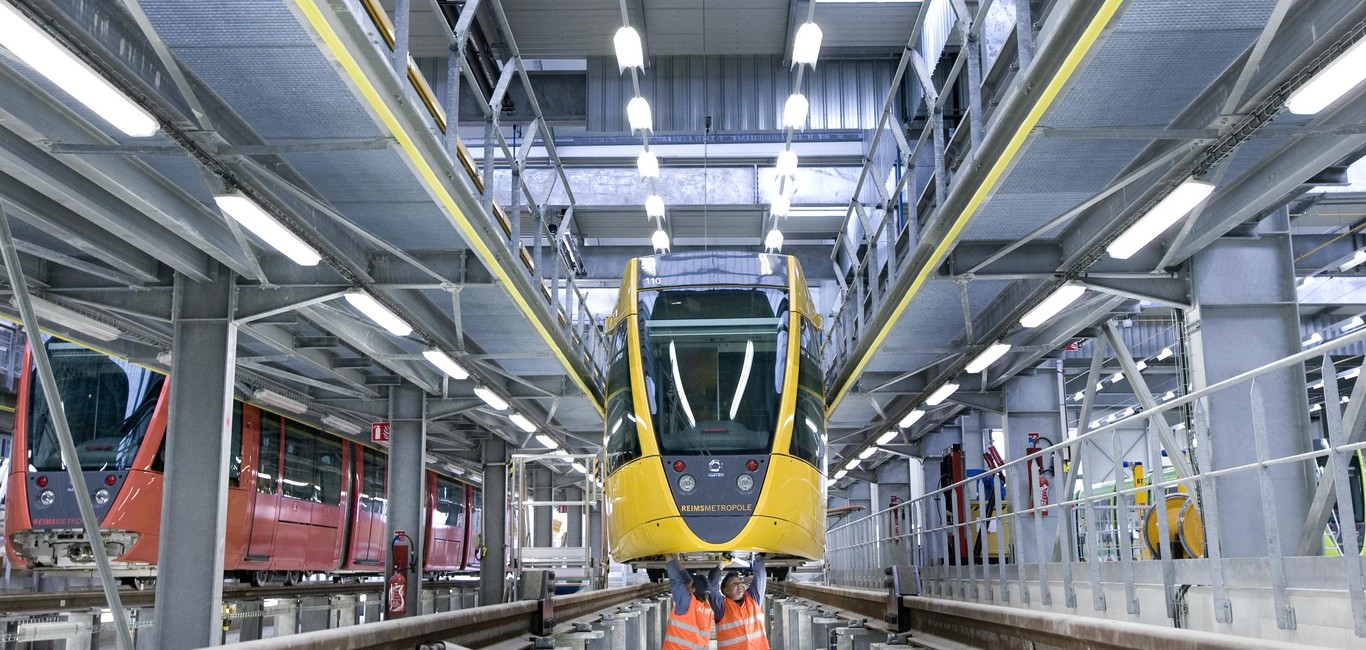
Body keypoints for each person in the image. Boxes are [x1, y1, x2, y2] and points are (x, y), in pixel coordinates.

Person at [711, 553, 768, 649]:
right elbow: (712, 587)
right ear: (726, 590)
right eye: (734, 583)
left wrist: (758, 557)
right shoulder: (721, 607)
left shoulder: (753, 599)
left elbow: (760, 578)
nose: (739, 585)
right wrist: (721, 565)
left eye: (740, 582)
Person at [663, 553, 720, 649]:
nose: (688, 582)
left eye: (690, 582)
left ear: (692, 590)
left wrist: (668, 553)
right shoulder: (705, 606)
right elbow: (688, 580)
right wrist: (676, 559)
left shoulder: (688, 603)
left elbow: (676, 579)